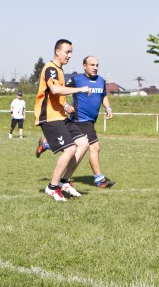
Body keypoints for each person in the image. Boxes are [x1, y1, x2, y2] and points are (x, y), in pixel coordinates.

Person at [35, 56, 115, 188]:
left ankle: (47, 144)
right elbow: (59, 91)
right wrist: (66, 106)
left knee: (74, 147)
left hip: (91, 121)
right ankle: (99, 179)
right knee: (94, 147)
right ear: (84, 66)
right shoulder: (76, 80)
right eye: (92, 65)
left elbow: (104, 95)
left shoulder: (101, 81)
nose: (95, 67)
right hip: (80, 119)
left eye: (97, 65)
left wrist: (108, 108)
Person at [34, 39, 91, 201]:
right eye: (67, 52)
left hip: (60, 116)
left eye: (71, 52)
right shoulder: (50, 69)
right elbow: (54, 89)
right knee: (70, 149)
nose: (70, 55)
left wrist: (65, 106)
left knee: (83, 144)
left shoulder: (59, 70)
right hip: (49, 118)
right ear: (57, 51)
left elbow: (55, 96)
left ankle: (65, 182)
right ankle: (52, 187)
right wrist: (79, 89)